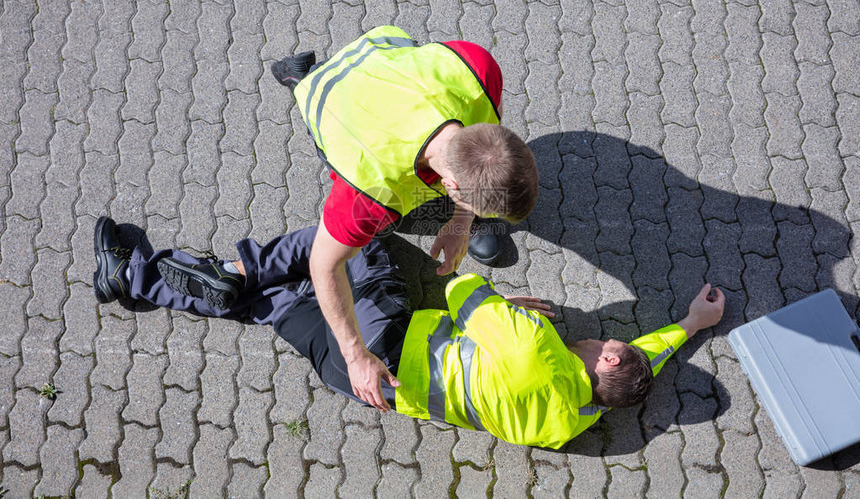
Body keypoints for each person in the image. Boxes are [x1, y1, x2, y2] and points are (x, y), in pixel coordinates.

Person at [93, 216, 725, 448]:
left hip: (387, 338)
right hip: (370, 386)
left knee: (350, 241)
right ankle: (134, 279)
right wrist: (688, 328)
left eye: (604, 345)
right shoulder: (573, 424)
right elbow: (638, 368)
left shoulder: (536, 347)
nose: (596, 337)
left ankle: (237, 268)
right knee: (278, 305)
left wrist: (506, 307)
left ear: (608, 356)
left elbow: (461, 291)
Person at [257, 25, 539, 411]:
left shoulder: (479, 71)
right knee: (377, 228)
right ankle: (298, 76)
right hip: (333, 97)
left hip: (380, 49)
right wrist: (355, 355)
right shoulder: (370, 188)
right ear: (451, 183)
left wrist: (460, 222)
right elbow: (323, 267)